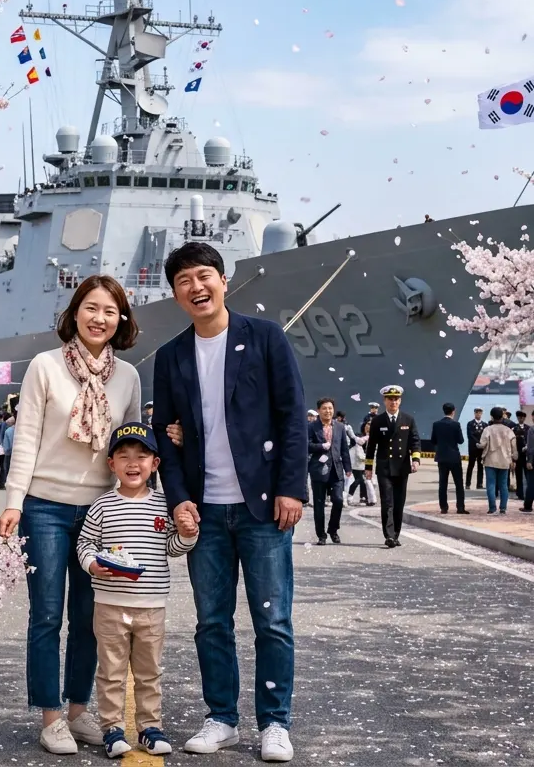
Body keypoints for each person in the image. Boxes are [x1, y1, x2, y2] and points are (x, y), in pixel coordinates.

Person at [153, 242, 307, 763]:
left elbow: (291, 415)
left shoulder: (264, 337)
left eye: (204, 276)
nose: (196, 287)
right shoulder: (171, 355)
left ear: (223, 280)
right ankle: (221, 718)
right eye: (183, 281)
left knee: (273, 621)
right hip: (206, 511)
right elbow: (163, 433)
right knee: (211, 622)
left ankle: (275, 723)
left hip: (262, 507)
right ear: (175, 294)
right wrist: (179, 500)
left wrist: (291, 487)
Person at [0, 274, 141, 756]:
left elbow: (130, 450)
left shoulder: (128, 376)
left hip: (100, 509)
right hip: (45, 506)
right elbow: (26, 438)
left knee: (89, 617)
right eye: (91, 308)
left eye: (110, 311)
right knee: (46, 614)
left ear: (121, 319)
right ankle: (50, 716)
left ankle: (78, 711)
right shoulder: (45, 366)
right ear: (74, 312)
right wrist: (14, 501)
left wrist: (137, 507)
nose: (99, 318)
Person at [76, 422, 197, 758]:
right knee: (111, 671)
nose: (133, 463)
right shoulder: (102, 505)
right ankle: (112, 729)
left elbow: (171, 547)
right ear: (111, 464)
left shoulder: (164, 505)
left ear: (155, 464)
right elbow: (85, 543)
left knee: (149, 672)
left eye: (141, 456)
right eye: (124, 456)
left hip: (152, 604)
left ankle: (149, 727)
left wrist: (187, 535)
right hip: (109, 603)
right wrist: (92, 564)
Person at [364, 385, 420, 548]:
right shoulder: (377, 421)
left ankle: (396, 534)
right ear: (385, 401)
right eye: (390, 399)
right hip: (384, 467)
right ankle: (388, 535)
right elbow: (371, 446)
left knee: (399, 502)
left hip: (402, 467)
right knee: (387, 502)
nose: (393, 402)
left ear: (400, 401)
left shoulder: (408, 419)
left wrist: (415, 459)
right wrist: (368, 467)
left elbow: (415, 441)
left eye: (396, 399)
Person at [308, 397, 350, 545]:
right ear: (318, 410)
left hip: (336, 470)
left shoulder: (340, 427)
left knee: (338, 500)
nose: (328, 411)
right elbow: (306, 445)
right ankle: (321, 535)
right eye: (324, 408)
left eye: (330, 408)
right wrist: (320, 446)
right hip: (318, 470)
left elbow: (344, 448)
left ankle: (333, 529)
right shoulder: (311, 427)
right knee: (319, 504)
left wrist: (348, 468)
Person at [479, 407, 518, 515]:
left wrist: (477, 445)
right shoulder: (508, 430)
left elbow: (482, 444)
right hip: (505, 461)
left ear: (491, 417)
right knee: (503, 485)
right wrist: (514, 458)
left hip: (490, 460)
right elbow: (514, 446)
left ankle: (492, 508)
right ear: (502, 416)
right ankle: (503, 508)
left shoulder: (488, 429)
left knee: (491, 484)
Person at [430, 403, 468, 515]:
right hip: (454, 457)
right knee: (459, 483)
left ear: (443, 411)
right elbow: (461, 440)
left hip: (442, 457)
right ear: (453, 411)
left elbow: (433, 440)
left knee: (443, 483)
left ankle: (443, 507)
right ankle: (460, 507)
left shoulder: (436, 424)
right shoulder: (456, 424)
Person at [346, 421, 373, 506]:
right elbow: (355, 445)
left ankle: (364, 497)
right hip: (357, 463)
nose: (368, 426)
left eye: (370, 425)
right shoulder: (359, 436)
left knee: (366, 480)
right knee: (359, 479)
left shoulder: (374, 437)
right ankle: (349, 496)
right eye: (367, 424)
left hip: (367, 461)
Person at [465, 408, 486, 490]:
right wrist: (477, 442)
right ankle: (468, 483)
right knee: (471, 465)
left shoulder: (485, 424)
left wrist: (482, 443)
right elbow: (470, 435)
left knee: (480, 466)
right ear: (474, 413)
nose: (478, 414)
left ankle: (479, 484)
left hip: (481, 448)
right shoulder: (470, 424)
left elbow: (485, 435)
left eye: (480, 413)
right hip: (473, 447)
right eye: (477, 412)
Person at [511, 410, 529, 500]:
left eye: (522, 417)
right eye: (519, 417)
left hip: (526, 455)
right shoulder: (514, 428)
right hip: (517, 454)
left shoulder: (528, 428)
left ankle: (528, 493)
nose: (521, 419)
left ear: (524, 418)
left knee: (527, 475)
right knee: (518, 475)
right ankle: (520, 493)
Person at [1, 414, 16, 484]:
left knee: (8, 471)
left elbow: (6, 448)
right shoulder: (24, 431)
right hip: (20, 455)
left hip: (9, 455)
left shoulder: (8, 431)